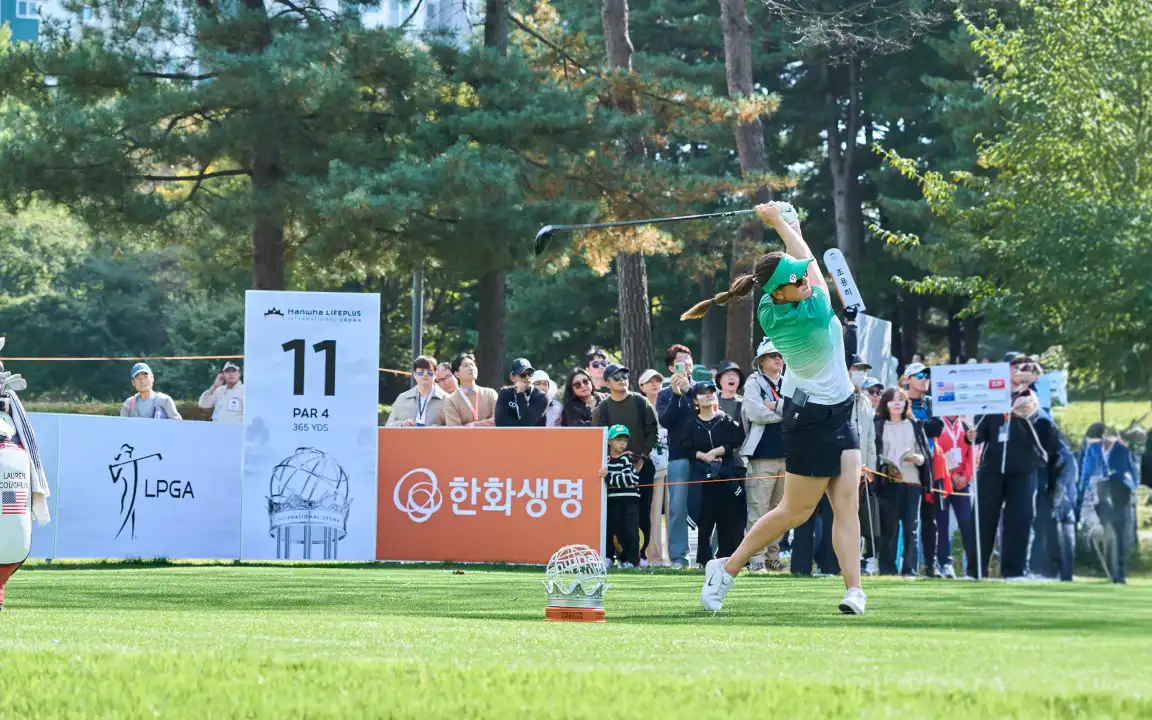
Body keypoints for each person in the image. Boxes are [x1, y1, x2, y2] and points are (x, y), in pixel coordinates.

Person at [683, 201, 866, 615]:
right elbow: (812, 265)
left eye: (800, 277)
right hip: (809, 420)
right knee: (794, 511)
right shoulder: (813, 312)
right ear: (778, 293)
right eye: (794, 281)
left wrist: (789, 224)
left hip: (839, 410)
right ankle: (725, 569)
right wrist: (779, 222)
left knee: (846, 503)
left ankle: (853, 590)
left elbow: (801, 263)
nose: (802, 280)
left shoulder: (770, 305)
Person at [974, 389, 1061, 580]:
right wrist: (970, 434)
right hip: (992, 472)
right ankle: (976, 571)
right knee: (983, 521)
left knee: (1019, 522)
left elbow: (1050, 447)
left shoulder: (1036, 413)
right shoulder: (993, 409)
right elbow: (978, 435)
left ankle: (1014, 572)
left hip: (1023, 473)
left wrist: (1026, 416)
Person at [592, 363, 659, 565]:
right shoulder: (601, 409)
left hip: (642, 467)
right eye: (616, 376)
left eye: (624, 375)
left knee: (641, 513)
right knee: (612, 514)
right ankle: (610, 555)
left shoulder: (641, 402)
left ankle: (640, 555)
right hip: (611, 469)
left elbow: (652, 433)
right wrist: (611, 462)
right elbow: (597, 440)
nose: (622, 379)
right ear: (607, 383)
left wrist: (639, 459)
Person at [681, 380, 746, 567]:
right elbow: (686, 448)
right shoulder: (691, 423)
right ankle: (703, 560)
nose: (708, 395)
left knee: (727, 519)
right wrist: (703, 456)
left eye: (711, 392)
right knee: (705, 521)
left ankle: (725, 559)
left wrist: (716, 452)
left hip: (725, 477)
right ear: (695, 400)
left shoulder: (724, 419)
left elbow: (735, 440)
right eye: (703, 393)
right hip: (702, 479)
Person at [740, 338, 788, 572]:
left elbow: (799, 411)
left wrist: (774, 405)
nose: (778, 358)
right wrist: (784, 410)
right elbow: (755, 412)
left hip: (787, 457)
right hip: (761, 456)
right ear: (761, 361)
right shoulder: (753, 382)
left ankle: (772, 557)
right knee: (758, 509)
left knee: (780, 510)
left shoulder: (790, 381)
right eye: (772, 355)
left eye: (780, 354)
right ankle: (756, 559)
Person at [873, 387, 931, 576]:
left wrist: (917, 459)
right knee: (888, 529)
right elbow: (873, 453)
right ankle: (887, 570)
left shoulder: (914, 424)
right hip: (887, 482)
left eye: (901, 399)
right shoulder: (878, 424)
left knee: (911, 528)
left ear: (906, 403)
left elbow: (925, 456)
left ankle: (910, 571)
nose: (896, 403)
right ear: (885, 403)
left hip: (911, 482)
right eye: (892, 399)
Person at [657, 343, 698, 569]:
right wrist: (675, 394)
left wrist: (690, 391)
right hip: (679, 457)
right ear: (672, 368)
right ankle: (679, 557)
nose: (687, 364)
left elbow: (708, 410)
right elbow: (666, 421)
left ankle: (708, 555)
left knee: (710, 505)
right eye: (681, 361)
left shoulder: (702, 388)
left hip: (704, 456)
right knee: (677, 508)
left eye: (689, 359)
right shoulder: (664, 394)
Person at [1080, 426, 1138, 583]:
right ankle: (1115, 573)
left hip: (1121, 493)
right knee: (1111, 534)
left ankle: (1118, 571)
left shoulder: (1122, 451)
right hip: (1102, 491)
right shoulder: (1093, 449)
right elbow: (1087, 472)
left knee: (1124, 535)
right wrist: (1084, 491)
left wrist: (1131, 485)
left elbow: (1132, 474)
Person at [901, 362, 941, 576]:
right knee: (907, 520)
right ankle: (905, 567)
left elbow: (938, 428)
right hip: (906, 465)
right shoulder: (899, 400)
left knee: (930, 519)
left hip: (930, 465)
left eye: (927, 375)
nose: (925, 378)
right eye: (919, 375)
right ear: (908, 379)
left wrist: (917, 426)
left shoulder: (931, 403)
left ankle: (931, 566)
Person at [934, 414, 979, 579]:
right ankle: (945, 564)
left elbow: (973, 454)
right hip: (943, 481)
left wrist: (965, 477)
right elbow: (936, 450)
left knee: (967, 522)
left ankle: (974, 565)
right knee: (942, 523)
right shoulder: (938, 424)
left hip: (962, 483)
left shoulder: (966, 426)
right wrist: (950, 475)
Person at [600, 424, 642, 569]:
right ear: (609, 441)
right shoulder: (604, 460)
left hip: (628, 500)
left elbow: (627, 479)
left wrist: (609, 476)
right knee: (609, 529)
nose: (622, 443)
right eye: (618, 440)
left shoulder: (626, 458)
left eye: (624, 440)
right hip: (612, 500)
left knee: (629, 531)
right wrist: (611, 477)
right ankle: (608, 557)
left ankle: (631, 560)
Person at [639, 369, 669, 566]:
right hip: (654, 464)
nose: (655, 384)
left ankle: (676, 557)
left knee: (674, 512)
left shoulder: (670, 402)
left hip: (674, 462)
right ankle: (654, 557)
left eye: (658, 380)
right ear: (641, 387)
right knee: (653, 512)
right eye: (650, 381)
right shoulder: (640, 407)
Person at [386, 355, 449, 427]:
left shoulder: (447, 400)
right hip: (408, 437)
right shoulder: (403, 398)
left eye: (429, 372)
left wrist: (437, 429)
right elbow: (388, 425)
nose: (425, 374)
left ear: (435, 374)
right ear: (414, 374)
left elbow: (454, 427)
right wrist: (402, 424)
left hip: (435, 438)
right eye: (421, 372)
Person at [442, 353, 498, 427]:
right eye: (466, 366)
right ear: (456, 374)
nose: (471, 368)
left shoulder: (490, 393)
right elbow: (454, 430)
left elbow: (498, 419)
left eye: (473, 365)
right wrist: (486, 423)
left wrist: (472, 425)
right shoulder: (451, 401)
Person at [495, 359, 549, 427]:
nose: (527, 377)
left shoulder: (541, 397)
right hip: (510, 436)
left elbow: (528, 423)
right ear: (512, 378)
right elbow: (500, 422)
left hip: (534, 437)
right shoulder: (505, 393)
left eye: (530, 373)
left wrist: (520, 394)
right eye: (522, 374)